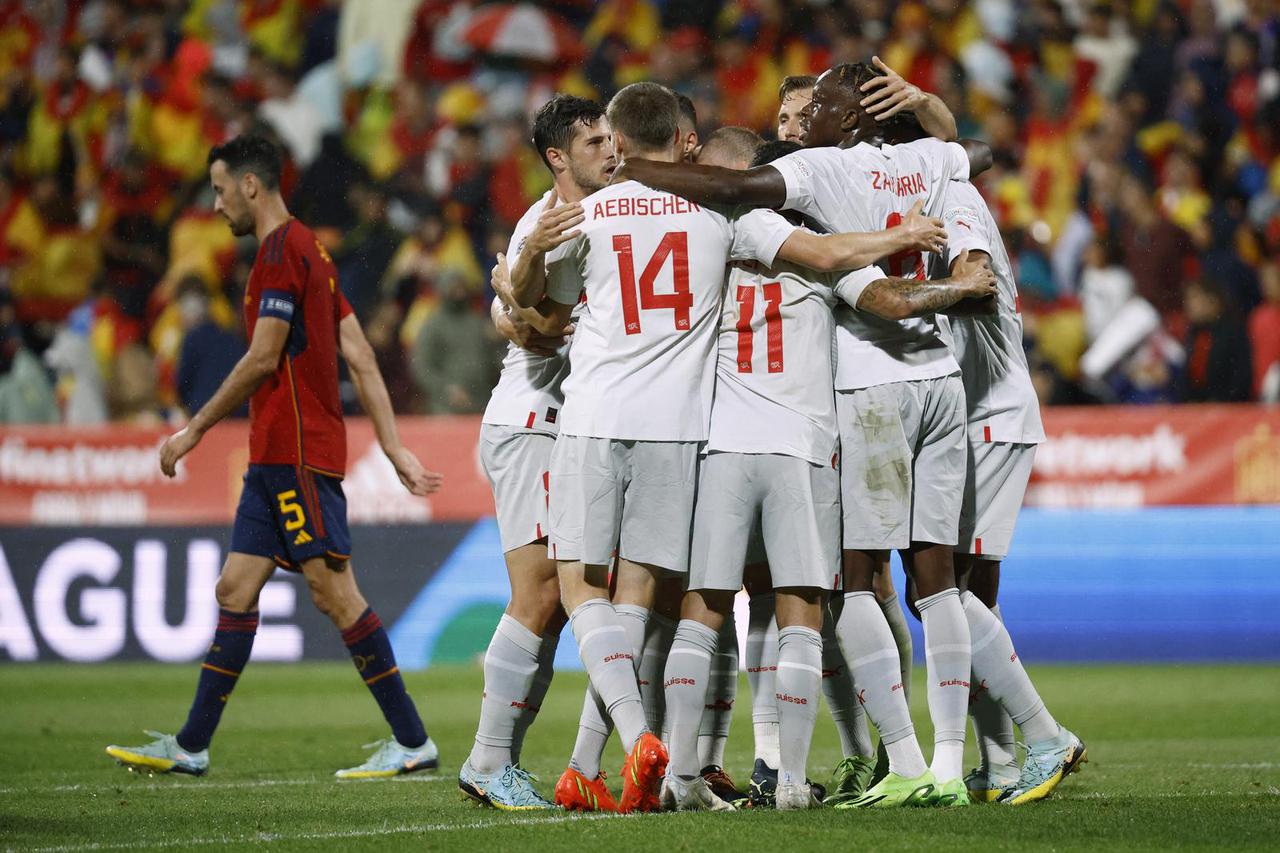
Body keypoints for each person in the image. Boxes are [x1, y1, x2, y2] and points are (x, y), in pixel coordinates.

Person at [613, 60, 992, 808]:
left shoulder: (697, 244)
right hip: (804, 443)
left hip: (722, 445)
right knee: (800, 611)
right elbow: (878, 289)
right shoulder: (806, 235)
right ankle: (791, 779)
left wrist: (638, 175)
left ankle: (684, 775)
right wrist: (912, 244)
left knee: (706, 606)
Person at [105, 134, 444, 779]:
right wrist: (393, 446)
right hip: (271, 460)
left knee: (334, 594)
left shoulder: (282, 253)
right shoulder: (313, 249)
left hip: (296, 454)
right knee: (234, 588)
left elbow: (264, 357)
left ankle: (412, 740)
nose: (216, 202)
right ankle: (191, 745)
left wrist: (193, 430)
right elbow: (360, 354)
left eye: (220, 187)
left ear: (251, 186)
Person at [459, 94, 614, 812]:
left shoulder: (599, 211)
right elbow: (540, 333)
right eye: (592, 143)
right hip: (534, 419)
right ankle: (490, 761)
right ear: (558, 158)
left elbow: (516, 315)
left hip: (564, 419)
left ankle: (499, 761)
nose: (609, 150)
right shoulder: (550, 222)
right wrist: (516, 286)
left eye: (611, 137)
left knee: (558, 602)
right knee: (543, 593)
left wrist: (509, 293)